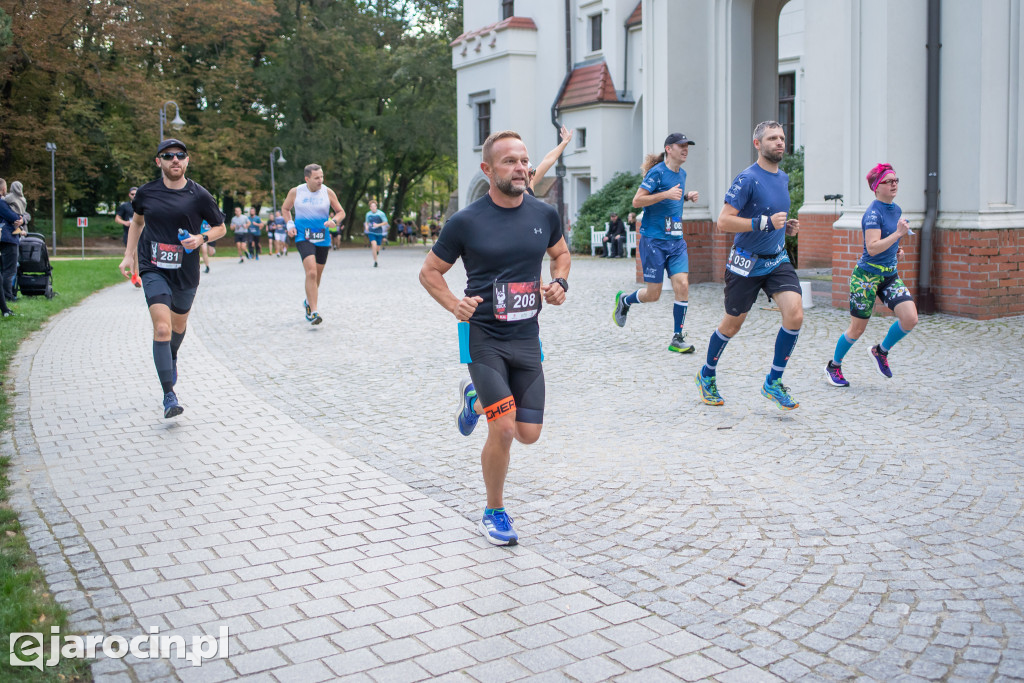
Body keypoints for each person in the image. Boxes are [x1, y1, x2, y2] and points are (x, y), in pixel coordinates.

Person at [419, 130, 570, 547]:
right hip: (483, 337)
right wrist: (454, 305)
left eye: (523, 160)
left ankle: (474, 399)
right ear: (488, 170)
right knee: (502, 429)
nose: (521, 167)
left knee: (528, 433)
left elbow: (561, 254)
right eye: (510, 161)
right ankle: (494, 511)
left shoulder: (544, 214)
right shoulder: (466, 222)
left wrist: (560, 283)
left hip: (526, 338)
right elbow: (429, 272)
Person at [694, 121, 801, 410]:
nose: (779, 142)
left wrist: (784, 229)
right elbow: (723, 221)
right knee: (732, 324)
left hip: (777, 259)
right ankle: (706, 374)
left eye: (781, 137)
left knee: (795, 314)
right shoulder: (747, 179)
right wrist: (763, 223)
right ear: (758, 144)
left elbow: (771, 217)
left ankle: (773, 382)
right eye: (772, 138)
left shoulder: (783, 177)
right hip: (745, 263)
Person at [118, 139, 226, 418]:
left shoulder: (199, 194)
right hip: (153, 267)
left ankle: (172, 355)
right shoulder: (146, 193)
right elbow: (137, 223)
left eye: (180, 155)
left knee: (178, 326)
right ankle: (169, 394)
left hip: (185, 272)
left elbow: (220, 228)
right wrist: (129, 255)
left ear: (187, 161)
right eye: (168, 156)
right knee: (162, 329)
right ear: (159, 162)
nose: (174, 160)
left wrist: (200, 238)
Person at [825, 163, 918, 387]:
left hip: (889, 276)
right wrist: (898, 234)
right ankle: (833, 367)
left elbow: (888, 243)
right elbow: (873, 247)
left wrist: (897, 249)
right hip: (866, 277)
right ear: (877, 187)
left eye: (896, 180)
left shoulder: (895, 209)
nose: (894, 184)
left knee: (910, 318)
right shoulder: (872, 214)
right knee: (857, 328)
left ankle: (880, 351)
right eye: (889, 181)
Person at [612, 133, 700, 354]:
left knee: (682, 284)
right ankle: (625, 300)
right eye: (681, 146)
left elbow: (674, 198)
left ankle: (677, 337)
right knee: (653, 294)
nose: (685, 149)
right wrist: (665, 194)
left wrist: (686, 197)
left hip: (676, 240)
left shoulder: (683, 174)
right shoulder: (656, 173)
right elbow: (637, 200)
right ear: (669, 149)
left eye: (687, 146)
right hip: (654, 240)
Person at [282, 163, 345, 325]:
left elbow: (341, 211)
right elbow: (285, 209)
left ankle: (308, 301)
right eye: (316, 178)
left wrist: (334, 221)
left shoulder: (327, 192)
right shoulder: (296, 192)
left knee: (317, 275)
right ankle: (313, 311)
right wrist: (290, 224)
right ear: (307, 178)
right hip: (304, 236)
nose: (320, 180)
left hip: (323, 238)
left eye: (322, 177)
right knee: (311, 273)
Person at [0, 178, 24, 317]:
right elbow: (12, 216)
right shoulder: (2, 202)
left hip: (5, 235)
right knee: (9, 269)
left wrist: (22, 219)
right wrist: (20, 219)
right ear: (3, 189)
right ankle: (8, 296)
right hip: (8, 238)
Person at [527, 125, 573, 195]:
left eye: (531, 172)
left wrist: (564, 142)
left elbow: (547, 161)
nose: (531, 174)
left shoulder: (530, 179)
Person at [114, 187, 143, 287]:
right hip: (129, 234)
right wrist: (125, 222)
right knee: (134, 253)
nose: (134, 196)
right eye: (132, 194)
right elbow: (117, 219)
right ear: (129, 195)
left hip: (143, 234)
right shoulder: (125, 206)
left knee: (138, 254)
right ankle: (136, 276)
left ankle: (137, 275)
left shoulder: (144, 204)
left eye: (136, 194)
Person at [363, 200, 388, 267]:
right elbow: (367, 222)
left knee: (377, 247)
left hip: (379, 232)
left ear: (376, 207)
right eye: (371, 206)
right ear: (370, 208)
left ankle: (377, 252)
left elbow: (386, 222)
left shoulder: (381, 213)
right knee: (373, 245)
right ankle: (375, 261)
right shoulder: (368, 214)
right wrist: (366, 226)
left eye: (374, 206)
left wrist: (378, 225)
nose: (373, 207)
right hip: (371, 232)